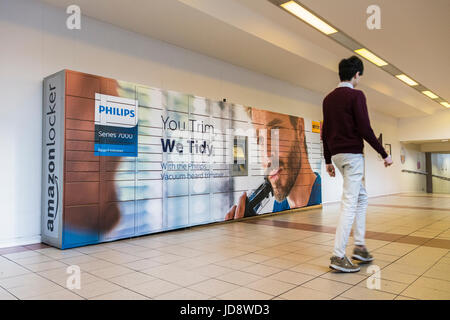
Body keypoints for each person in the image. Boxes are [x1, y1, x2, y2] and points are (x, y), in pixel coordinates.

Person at [322, 56, 393, 273]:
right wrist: (384, 154)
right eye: (359, 76)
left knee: (361, 197)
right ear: (356, 75)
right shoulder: (356, 95)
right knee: (350, 202)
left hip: (337, 156)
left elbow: (325, 132)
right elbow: (365, 128)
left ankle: (360, 247)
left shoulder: (328, 99)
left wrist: (327, 160)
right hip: (352, 156)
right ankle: (338, 255)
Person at [225, 109, 321, 220]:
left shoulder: (321, 199)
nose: (267, 155)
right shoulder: (280, 205)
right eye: (260, 140)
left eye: (275, 131)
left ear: (299, 129)